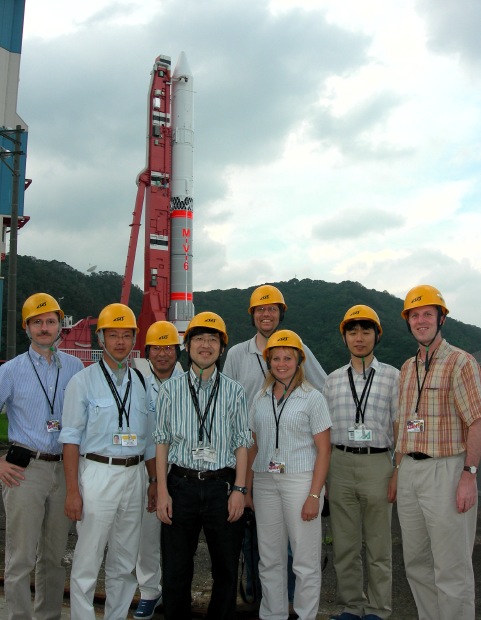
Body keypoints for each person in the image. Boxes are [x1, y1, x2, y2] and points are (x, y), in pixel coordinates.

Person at [223, 284, 327, 603]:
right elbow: (225, 403)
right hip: (249, 464)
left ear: (280, 314)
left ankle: (298, 605)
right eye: (260, 309)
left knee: (299, 550)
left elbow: (324, 390)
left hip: (295, 469)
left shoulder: (298, 349)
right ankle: (261, 601)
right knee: (258, 544)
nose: (266, 314)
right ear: (252, 315)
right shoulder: (238, 355)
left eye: (272, 309)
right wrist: (244, 483)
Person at [59, 303, 155, 620]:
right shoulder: (83, 382)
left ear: (133, 339)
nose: (120, 342)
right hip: (98, 473)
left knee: (125, 562)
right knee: (87, 559)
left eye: (126, 335)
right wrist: (73, 491)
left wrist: (153, 482)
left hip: (135, 475)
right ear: (101, 338)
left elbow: (151, 440)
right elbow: (70, 440)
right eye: (112, 335)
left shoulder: (142, 383)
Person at [155, 311, 252, 620]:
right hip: (179, 485)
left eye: (213, 339)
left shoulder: (235, 391)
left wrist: (239, 489)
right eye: (199, 339)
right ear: (187, 345)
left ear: (222, 348)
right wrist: (162, 491)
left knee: (225, 567)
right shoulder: (170, 389)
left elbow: (242, 443)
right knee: (176, 568)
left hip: (220, 487)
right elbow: (162, 442)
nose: (206, 345)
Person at [395, 285, 481, 620]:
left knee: (451, 566)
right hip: (410, 473)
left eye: (427, 313)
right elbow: (403, 426)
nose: (421, 320)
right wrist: (398, 470)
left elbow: (476, 421)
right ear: (408, 322)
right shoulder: (407, 367)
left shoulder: (460, 362)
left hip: (446, 470)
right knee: (416, 562)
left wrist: (468, 476)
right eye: (414, 315)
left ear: (441, 318)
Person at [0, 292, 84, 620]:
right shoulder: (11, 371)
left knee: (52, 555)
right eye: (38, 322)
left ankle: (48, 615)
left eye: (50, 321)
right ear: (27, 327)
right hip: (25, 470)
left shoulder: (76, 368)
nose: (45, 328)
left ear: (59, 325)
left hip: (64, 469)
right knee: (20, 557)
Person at [246, 329, 331, 620]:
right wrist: (246, 489)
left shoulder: (313, 398)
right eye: (276, 358)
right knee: (269, 558)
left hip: (301, 480)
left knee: (304, 560)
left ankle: (306, 615)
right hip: (265, 481)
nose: (281, 363)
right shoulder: (259, 398)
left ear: (299, 361)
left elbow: (324, 450)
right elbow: (253, 446)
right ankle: (273, 614)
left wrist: (314, 495)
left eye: (288, 357)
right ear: (268, 361)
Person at [323, 305, 399, 620]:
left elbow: (399, 428)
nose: (359, 337)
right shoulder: (332, 380)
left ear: (376, 335)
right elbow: (323, 431)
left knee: (379, 545)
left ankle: (379, 609)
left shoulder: (393, 377)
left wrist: (397, 471)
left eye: (365, 331)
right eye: (352, 331)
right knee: (344, 544)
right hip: (339, 464)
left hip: (378, 463)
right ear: (344, 337)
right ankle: (352, 605)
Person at [133, 321, 184, 620]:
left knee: (181, 538)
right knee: (148, 534)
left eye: (169, 348)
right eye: (157, 348)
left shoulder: (191, 381)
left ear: (177, 351)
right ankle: (150, 590)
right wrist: (154, 478)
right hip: (147, 468)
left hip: (183, 470)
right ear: (147, 351)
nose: (163, 354)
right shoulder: (135, 382)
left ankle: (178, 591)